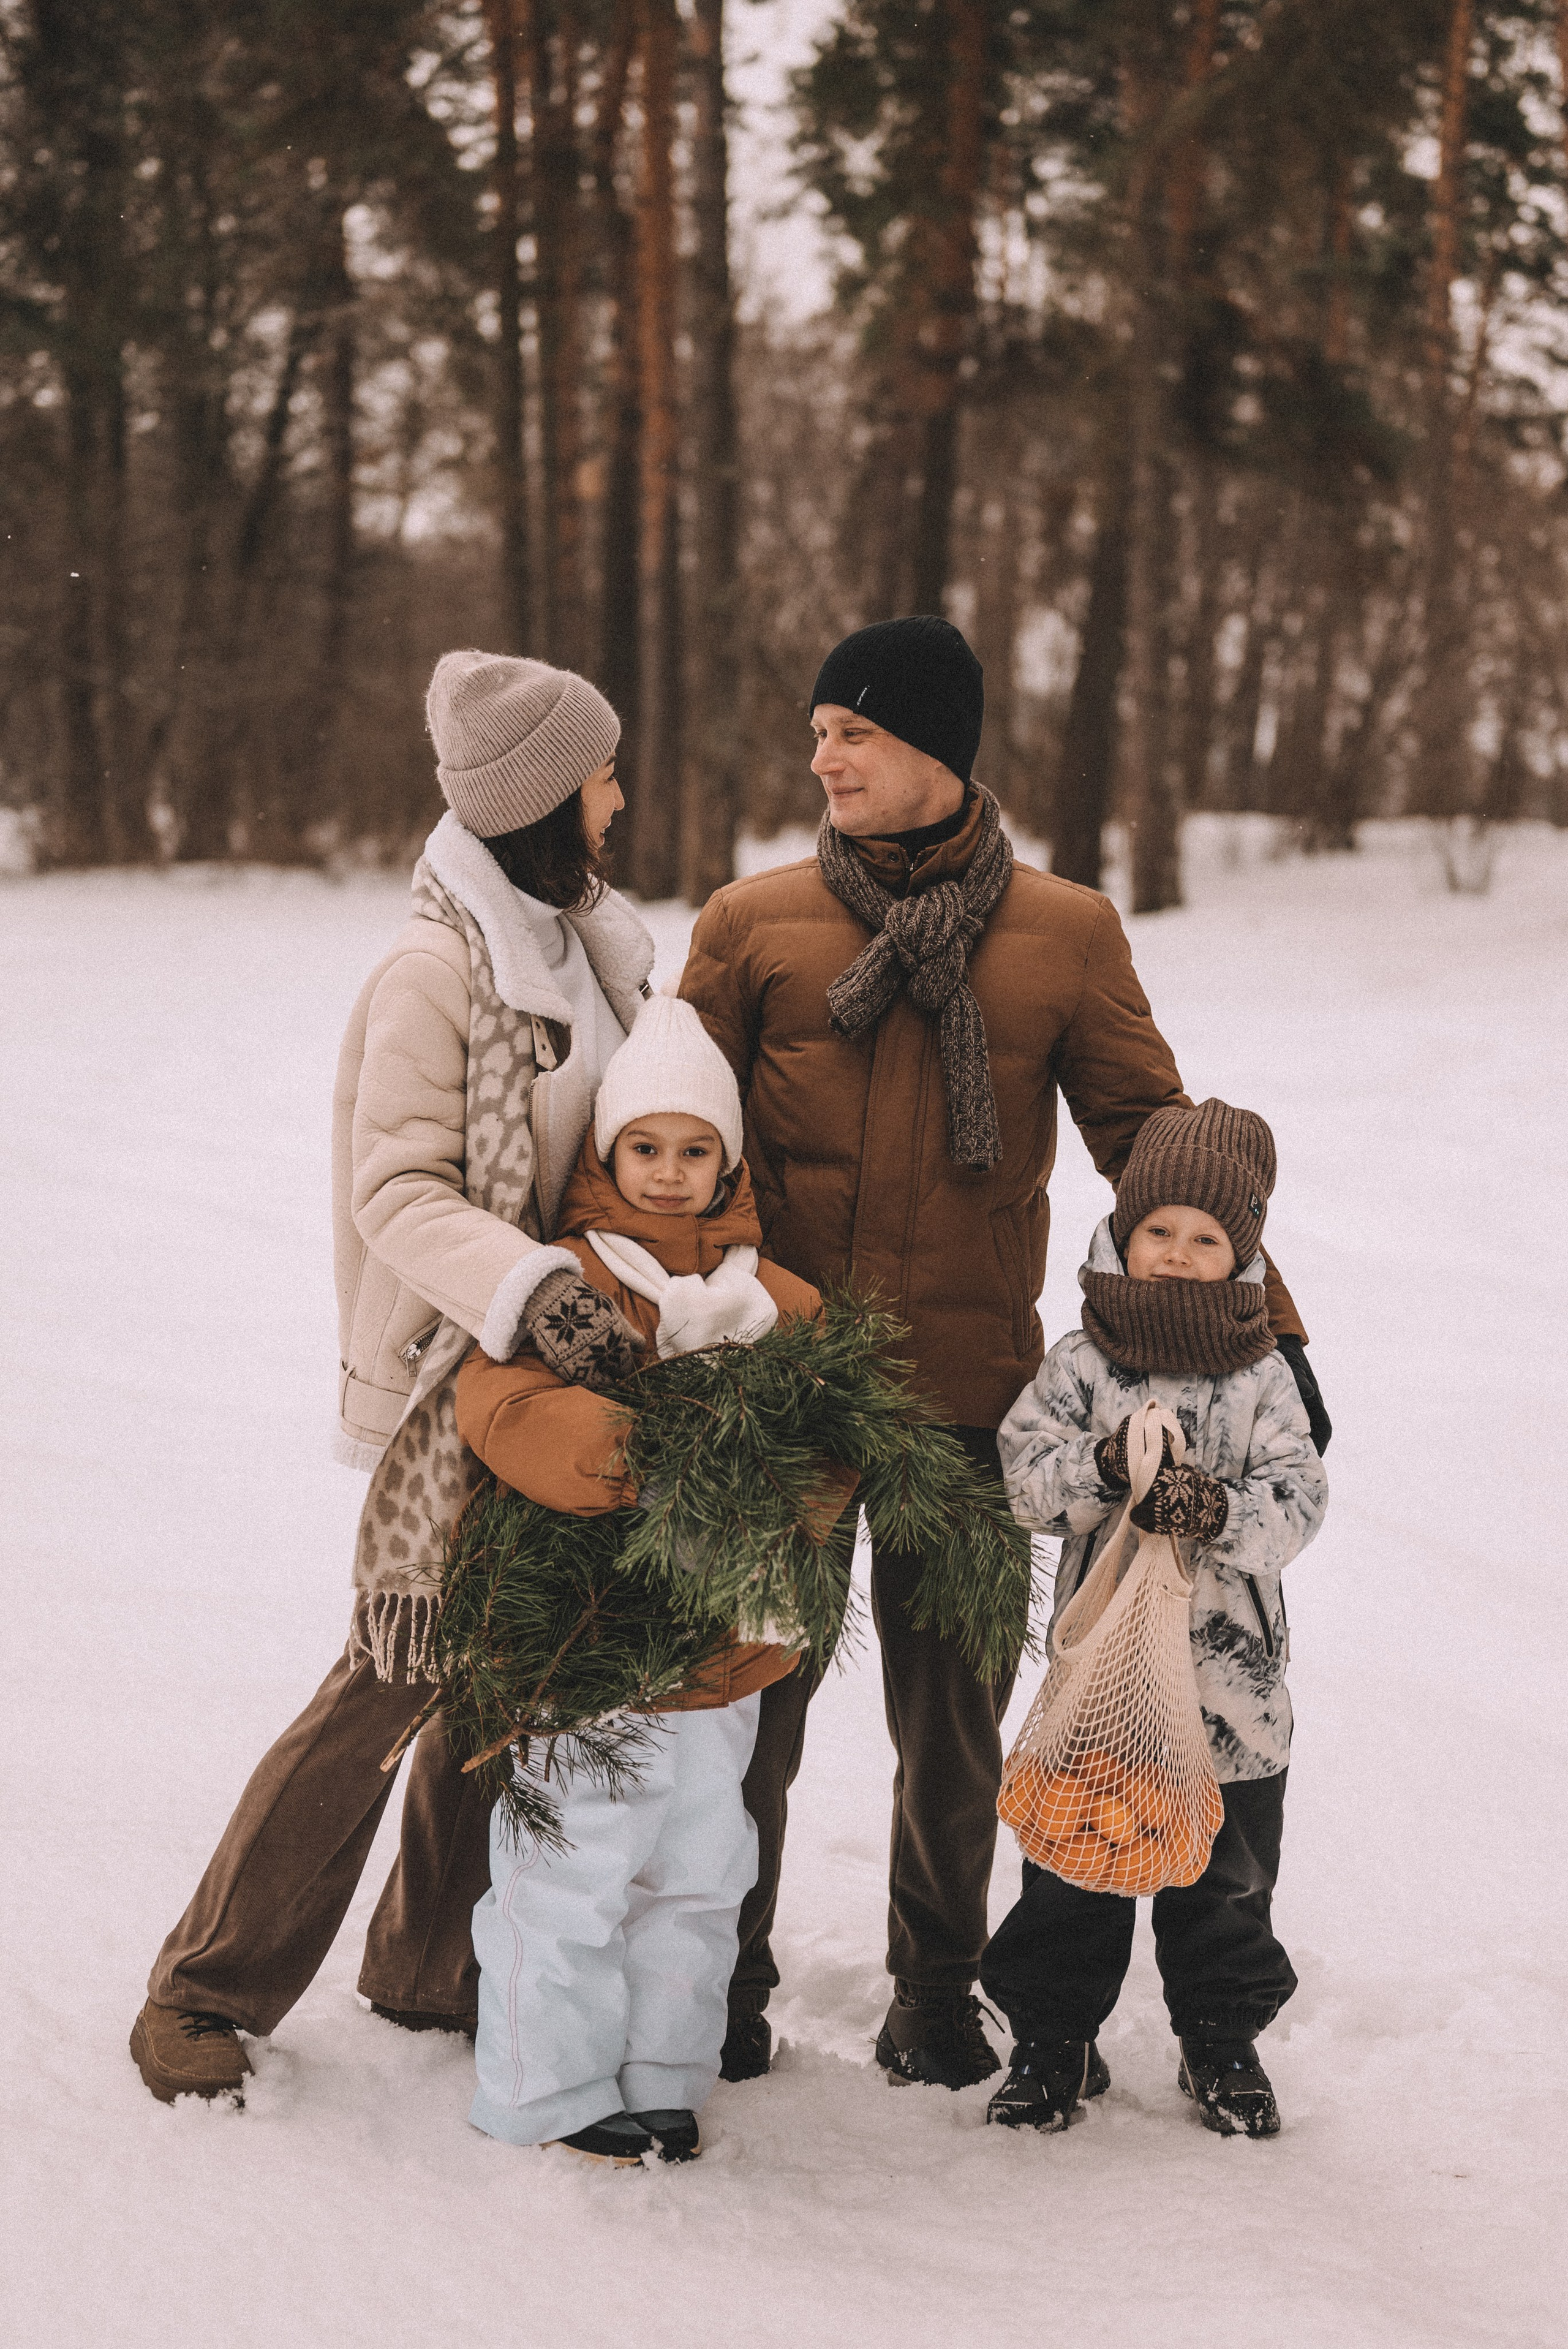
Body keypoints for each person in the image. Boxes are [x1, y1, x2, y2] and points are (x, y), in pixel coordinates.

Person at [679, 614, 1330, 2091]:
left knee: (954, 1729)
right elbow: (675, 1146)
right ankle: (720, 1980)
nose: (819, 755)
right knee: (743, 1711)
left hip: (973, 1402)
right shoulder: (749, 921)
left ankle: (932, 1993)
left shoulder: (1062, 934)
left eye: (848, 730)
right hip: (783, 1395)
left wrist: (1272, 1335)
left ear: (929, 746)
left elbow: (1160, 1162)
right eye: (817, 731)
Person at [130, 651, 655, 2104]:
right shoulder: (438, 969)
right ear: (548, 794)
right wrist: (537, 1288)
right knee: (393, 1676)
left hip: (559, 1380)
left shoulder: (586, 946)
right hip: (462, 1374)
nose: (621, 792)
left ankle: (431, 1964)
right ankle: (202, 1984)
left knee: (510, 1669)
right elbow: (399, 1194)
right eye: (604, 770)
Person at [454, 995, 834, 2165]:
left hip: (722, 1645)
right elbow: (498, 1402)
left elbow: (837, 1434)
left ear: (726, 1162)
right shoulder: (565, 1278)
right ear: (610, 1153)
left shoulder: (778, 1301)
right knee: (571, 1862)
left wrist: (785, 1480)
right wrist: (644, 1453)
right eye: (645, 1149)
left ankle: (665, 2067)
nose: (669, 1175)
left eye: (694, 1150)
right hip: (585, 1638)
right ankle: (543, 2083)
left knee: (702, 1865)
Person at [981, 1099, 1328, 2138]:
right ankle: (1053, 2039)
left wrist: (1214, 1509)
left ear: (1243, 1252)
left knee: (1224, 1884)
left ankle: (1220, 2038)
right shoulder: (1085, 1361)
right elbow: (1024, 1478)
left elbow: (1301, 1497)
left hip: (1230, 1699)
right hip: (1103, 1692)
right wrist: (1100, 1466)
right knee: (1075, 1875)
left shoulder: (1265, 1372)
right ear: (1124, 1232)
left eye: (1206, 1237)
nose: (1177, 1254)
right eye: (1158, 1230)